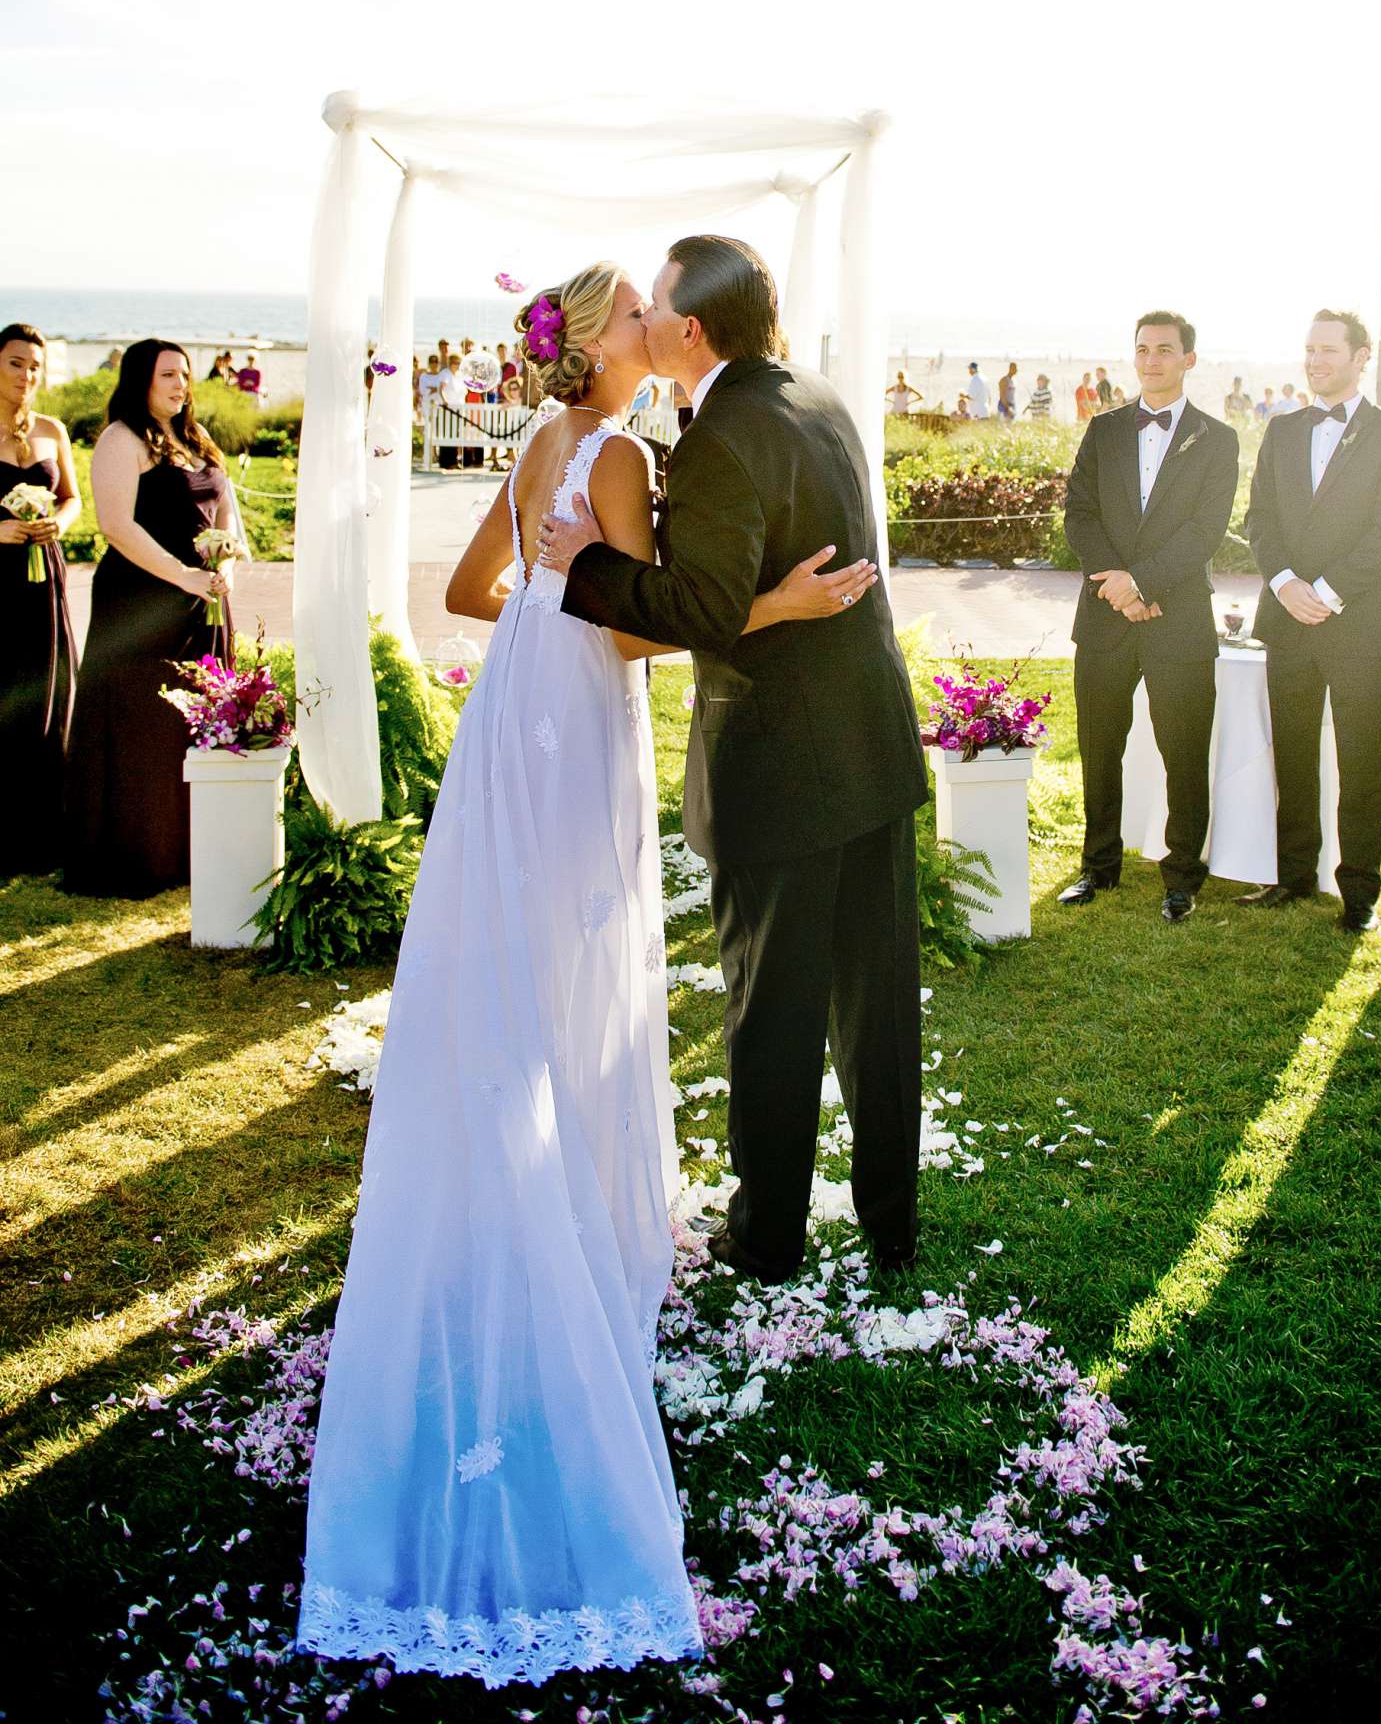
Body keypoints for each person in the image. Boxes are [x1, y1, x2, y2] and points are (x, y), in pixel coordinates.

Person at [299, 262, 875, 1689]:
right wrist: (779, 614)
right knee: (572, 965)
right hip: (573, 741)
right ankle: (571, 1227)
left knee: (515, 969)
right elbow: (640, 625)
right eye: (631, 314)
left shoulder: (541, 447)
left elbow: (470, 590)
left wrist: (545, 649)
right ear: (605, 344)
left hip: (510, 736)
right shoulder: (617, 452)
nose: (648, 327)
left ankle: (536, 1190)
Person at [544, 235, 928, 1290]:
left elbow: (707, 610)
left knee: (772, 1014)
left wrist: (591, 575)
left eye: (654, 305)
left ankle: (766, 1238)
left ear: (691, 329)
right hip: (870, 749)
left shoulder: (720, 431)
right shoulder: (818, 397)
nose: (647, 320)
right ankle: (893, 1226)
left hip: (779, 765)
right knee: (878, 1007)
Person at [1243, 309, 1381, 932]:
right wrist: (1287, 583)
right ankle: (1293, 878)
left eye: (1328, 349)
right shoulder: (1283, 430)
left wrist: (1329, 589)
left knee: (1361, 761)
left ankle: (1360, 894)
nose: (1315, 360)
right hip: (1288, 618)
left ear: (1361, 355)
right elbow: (1258, 518)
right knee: (1291, 753)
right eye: (1309, 349)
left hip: (1358, 624)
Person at [1059, 311, 1240, 922]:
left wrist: (1145, 581)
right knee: (1098, 744)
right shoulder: (1104, 429)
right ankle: (1097, 867)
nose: (1151, 360)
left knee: (1183, 749)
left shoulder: (1218, 438)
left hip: (1178, 615)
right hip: (1106, 616)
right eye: (1142, 350)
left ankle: (1183, 875)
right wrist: (1120, 585)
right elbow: (1079, 514)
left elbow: (1206, 529)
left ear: (1189, 358)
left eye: (1165, 350)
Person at [64, 341, 240, 895]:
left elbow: (226, 507)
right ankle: (143, 853)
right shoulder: (122, 439)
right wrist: (183, 574)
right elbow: (117, 526)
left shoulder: (195, 438)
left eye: (185, 374)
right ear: (141, 378)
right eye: (168, 374)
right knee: (145, 725)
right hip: (141, 604)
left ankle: (195, 847)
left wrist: (227, 561)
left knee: (198, 721)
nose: (181, 383)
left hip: (204, 600)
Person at [0, 324, 81, 855]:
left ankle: (42, 832)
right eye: (15, 362)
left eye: (35, 365)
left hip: (43, 574)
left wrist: (61, 524)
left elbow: (72, 498)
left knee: (47, 691)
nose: (27, 374)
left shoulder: (52, 429)